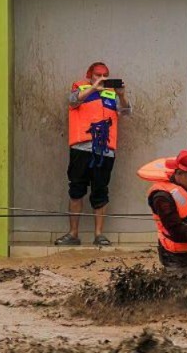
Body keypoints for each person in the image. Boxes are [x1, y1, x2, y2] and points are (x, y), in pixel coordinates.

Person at [55, 62, 131, 246]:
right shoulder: (79, 88)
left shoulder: (112, 93)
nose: (102, 78)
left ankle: (99, 235)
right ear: (90, 75)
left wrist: (122, 95)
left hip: (104, 150)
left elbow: (127, 111)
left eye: (105, 74)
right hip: (81, 148)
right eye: (98, 75)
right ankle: (73, 234)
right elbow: (72, 101)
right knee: (76, 190)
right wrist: (93, 88)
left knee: (100, 191)